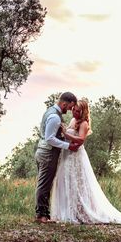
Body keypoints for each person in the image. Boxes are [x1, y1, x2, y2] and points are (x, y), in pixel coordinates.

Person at [51, 99, 121, 225]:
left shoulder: (84, 124)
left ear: (83, 111)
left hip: (77, 157)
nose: (74, 113)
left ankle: (82, 213)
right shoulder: (73, 120)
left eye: (77, 111)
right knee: (67, 181)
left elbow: (81, 140)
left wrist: (66, 135)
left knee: (79, 184)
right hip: (67, 155)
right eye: (73, 110)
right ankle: (69, 212)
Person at [34, 92, 80, 223]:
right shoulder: (55, 116)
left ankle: (43, 214)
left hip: (43, 151)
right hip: (47, 153)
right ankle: (41, 215)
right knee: (44, 185)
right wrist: (68, 146)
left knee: (44, 184)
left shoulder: (51, 111)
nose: (70, 110)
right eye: (70, 107)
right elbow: (49, 139)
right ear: (64, 103)